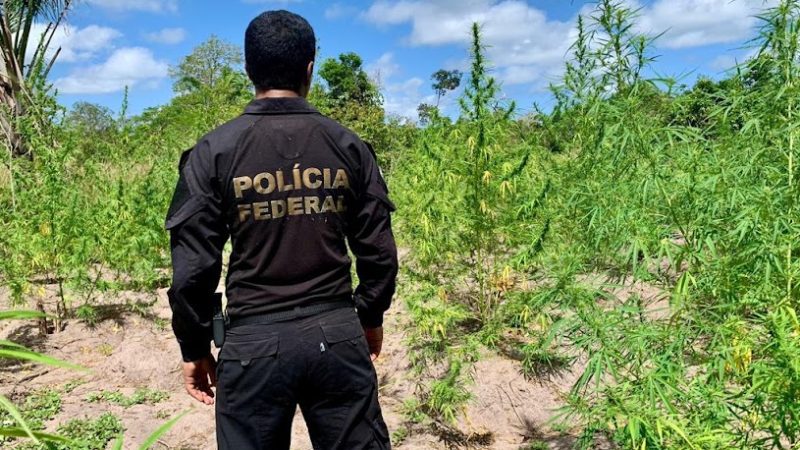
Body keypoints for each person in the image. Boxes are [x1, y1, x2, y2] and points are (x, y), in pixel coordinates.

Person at [164, 10, 398, 450]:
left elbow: (193, 270)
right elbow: (379, 254)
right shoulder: (349, 147)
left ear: (248, 69)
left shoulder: (213, 152)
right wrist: (368, 317)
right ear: (311, 67)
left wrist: (194, 348)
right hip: (337, 336)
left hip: (251, 347)